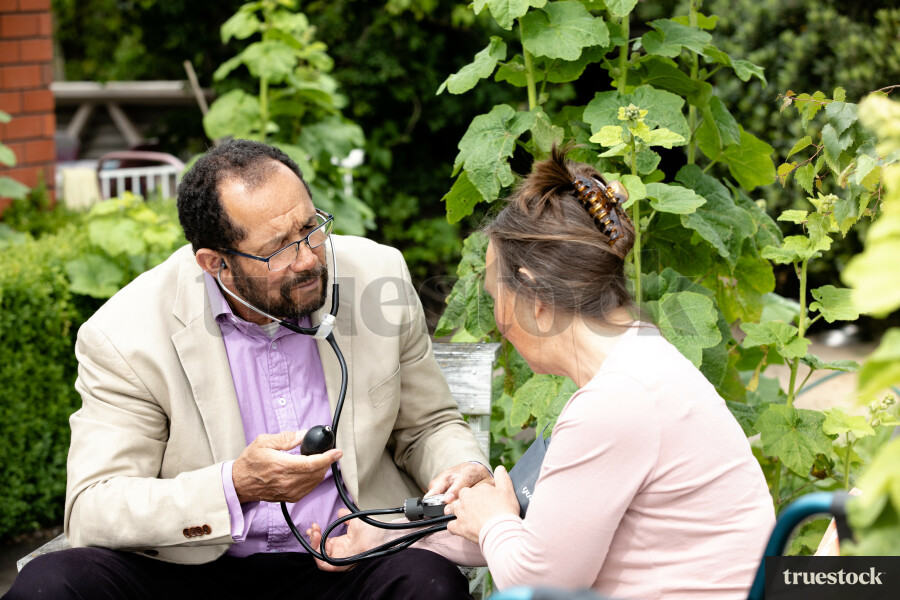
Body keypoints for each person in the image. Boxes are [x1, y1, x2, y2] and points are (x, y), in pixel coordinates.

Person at [5, 139, 490, 600]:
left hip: (346, 557)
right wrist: (234, 485)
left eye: (311, 228)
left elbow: (428, 425)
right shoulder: (125, 333)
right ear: (216, 263)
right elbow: (95, 505)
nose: (309, 259)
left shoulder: (376, 274)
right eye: (279, 249)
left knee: (428, 583)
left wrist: (462, 469)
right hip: (193, 569)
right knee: (51, 585)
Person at [309, 146, 776, 600]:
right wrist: (381, 537)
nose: (498, 318)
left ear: (531, 293)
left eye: (496, 296)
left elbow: (538, 580)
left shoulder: (617, 402)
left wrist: (492, 517)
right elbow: (539, 537)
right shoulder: (639, 361)